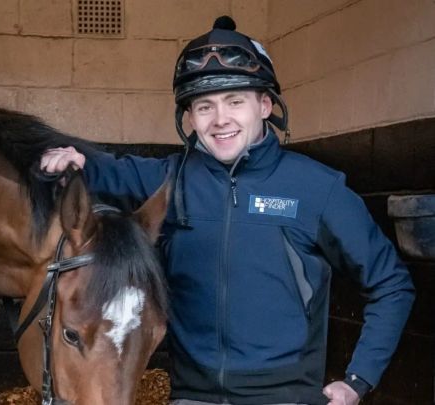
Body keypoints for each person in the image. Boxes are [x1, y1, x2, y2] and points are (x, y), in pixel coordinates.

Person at [41, 16, 415, 405]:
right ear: (190, 118)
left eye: (235, 101)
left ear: (265, 105)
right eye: (205, 106)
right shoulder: (170, 180)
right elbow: (109, 171)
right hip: (192, 396)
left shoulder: (318, 188)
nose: (220, 120)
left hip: (285, 397)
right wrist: (75, 160)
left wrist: (358, 379)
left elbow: (391, 283)